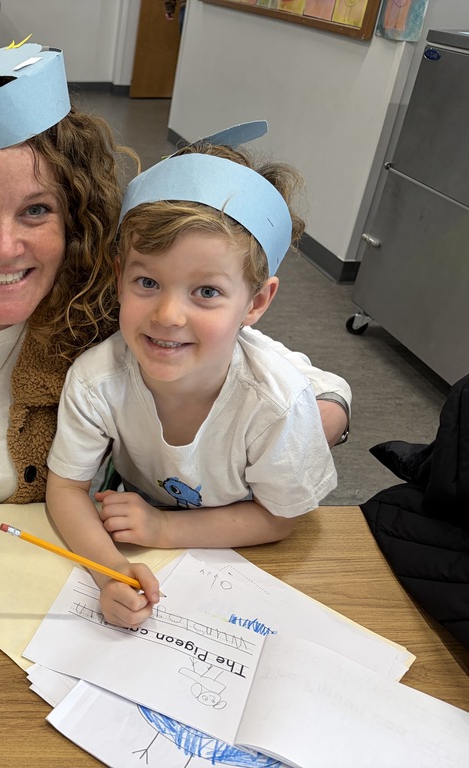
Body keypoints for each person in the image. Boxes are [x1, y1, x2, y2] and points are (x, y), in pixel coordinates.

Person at [0, 42, 351, 509]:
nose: (6, 249)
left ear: (73, 215)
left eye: (36, 211)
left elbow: (305, 383)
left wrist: (308, 423)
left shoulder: (112, 295)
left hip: (14, 547)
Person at [45, 125, 337, 629]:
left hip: (234, 526)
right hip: (140, 505)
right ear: (119, 277)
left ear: (257, 301)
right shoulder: (96, 379)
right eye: (147, 281)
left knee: (322, 402)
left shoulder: (274, 403)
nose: (168, 315)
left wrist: (161, 529)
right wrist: (111, 572)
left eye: (206, 292)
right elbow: (66, 488)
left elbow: (279, 517)